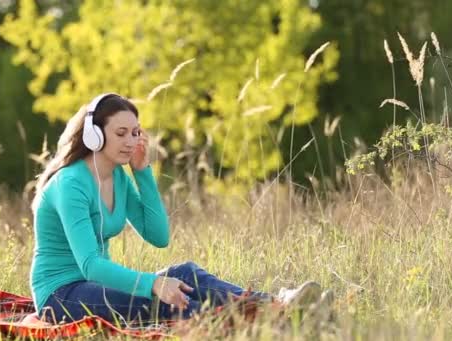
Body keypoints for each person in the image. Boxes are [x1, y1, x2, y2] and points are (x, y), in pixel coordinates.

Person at [30, 93, 330, 325]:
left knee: (186, 273)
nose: (130, 141)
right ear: (94, 135)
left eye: (135, 133)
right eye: (121, 133)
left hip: (97, 284)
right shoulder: (70, 185)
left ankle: (277, 306)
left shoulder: (119, 176)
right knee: (166, 301)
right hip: (61, 294)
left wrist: (143, 172)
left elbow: (158, 235)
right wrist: (154, 283)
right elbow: (90, 266)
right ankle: (260, 325)